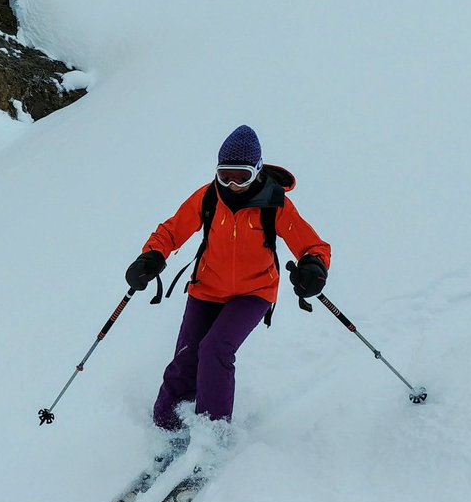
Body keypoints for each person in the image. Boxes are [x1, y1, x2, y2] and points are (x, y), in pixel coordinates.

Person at [124, 124, 331, 436]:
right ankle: (164, 429)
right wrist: (152, 256)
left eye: (241, 176)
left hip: (254, 292)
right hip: (206, 288)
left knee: (215, 349)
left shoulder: (275, 204)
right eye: (226, 175)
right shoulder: (208, 197)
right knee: (186, 355)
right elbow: (171, 230)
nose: (233, 184)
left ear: (257, 171)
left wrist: (314, 269)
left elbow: (313, 247)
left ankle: (212, 433)